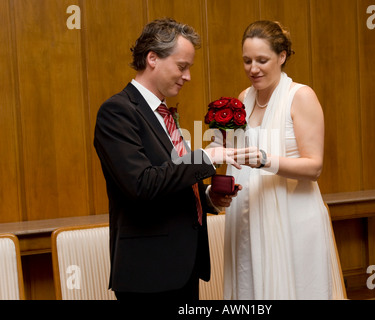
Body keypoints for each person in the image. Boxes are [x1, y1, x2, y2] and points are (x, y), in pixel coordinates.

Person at [94, 18, 242, 301]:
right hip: (149, 272)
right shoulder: (117, 112)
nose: (187, 76)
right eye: (182, 66)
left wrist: (208, 196)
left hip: (183, 265)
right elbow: (142, 183)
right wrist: (205, 158)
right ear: (152, 58)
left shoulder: (164, 114)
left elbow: (171, 178)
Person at [224, 20, 345, 299]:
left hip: (294, 216)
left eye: (262, 60)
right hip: (250, 215)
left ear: (282, 57)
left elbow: (314, 167)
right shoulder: (244, 98)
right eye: (247, 61)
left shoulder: (301, 97)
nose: (253, 69)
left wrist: (266, 160)